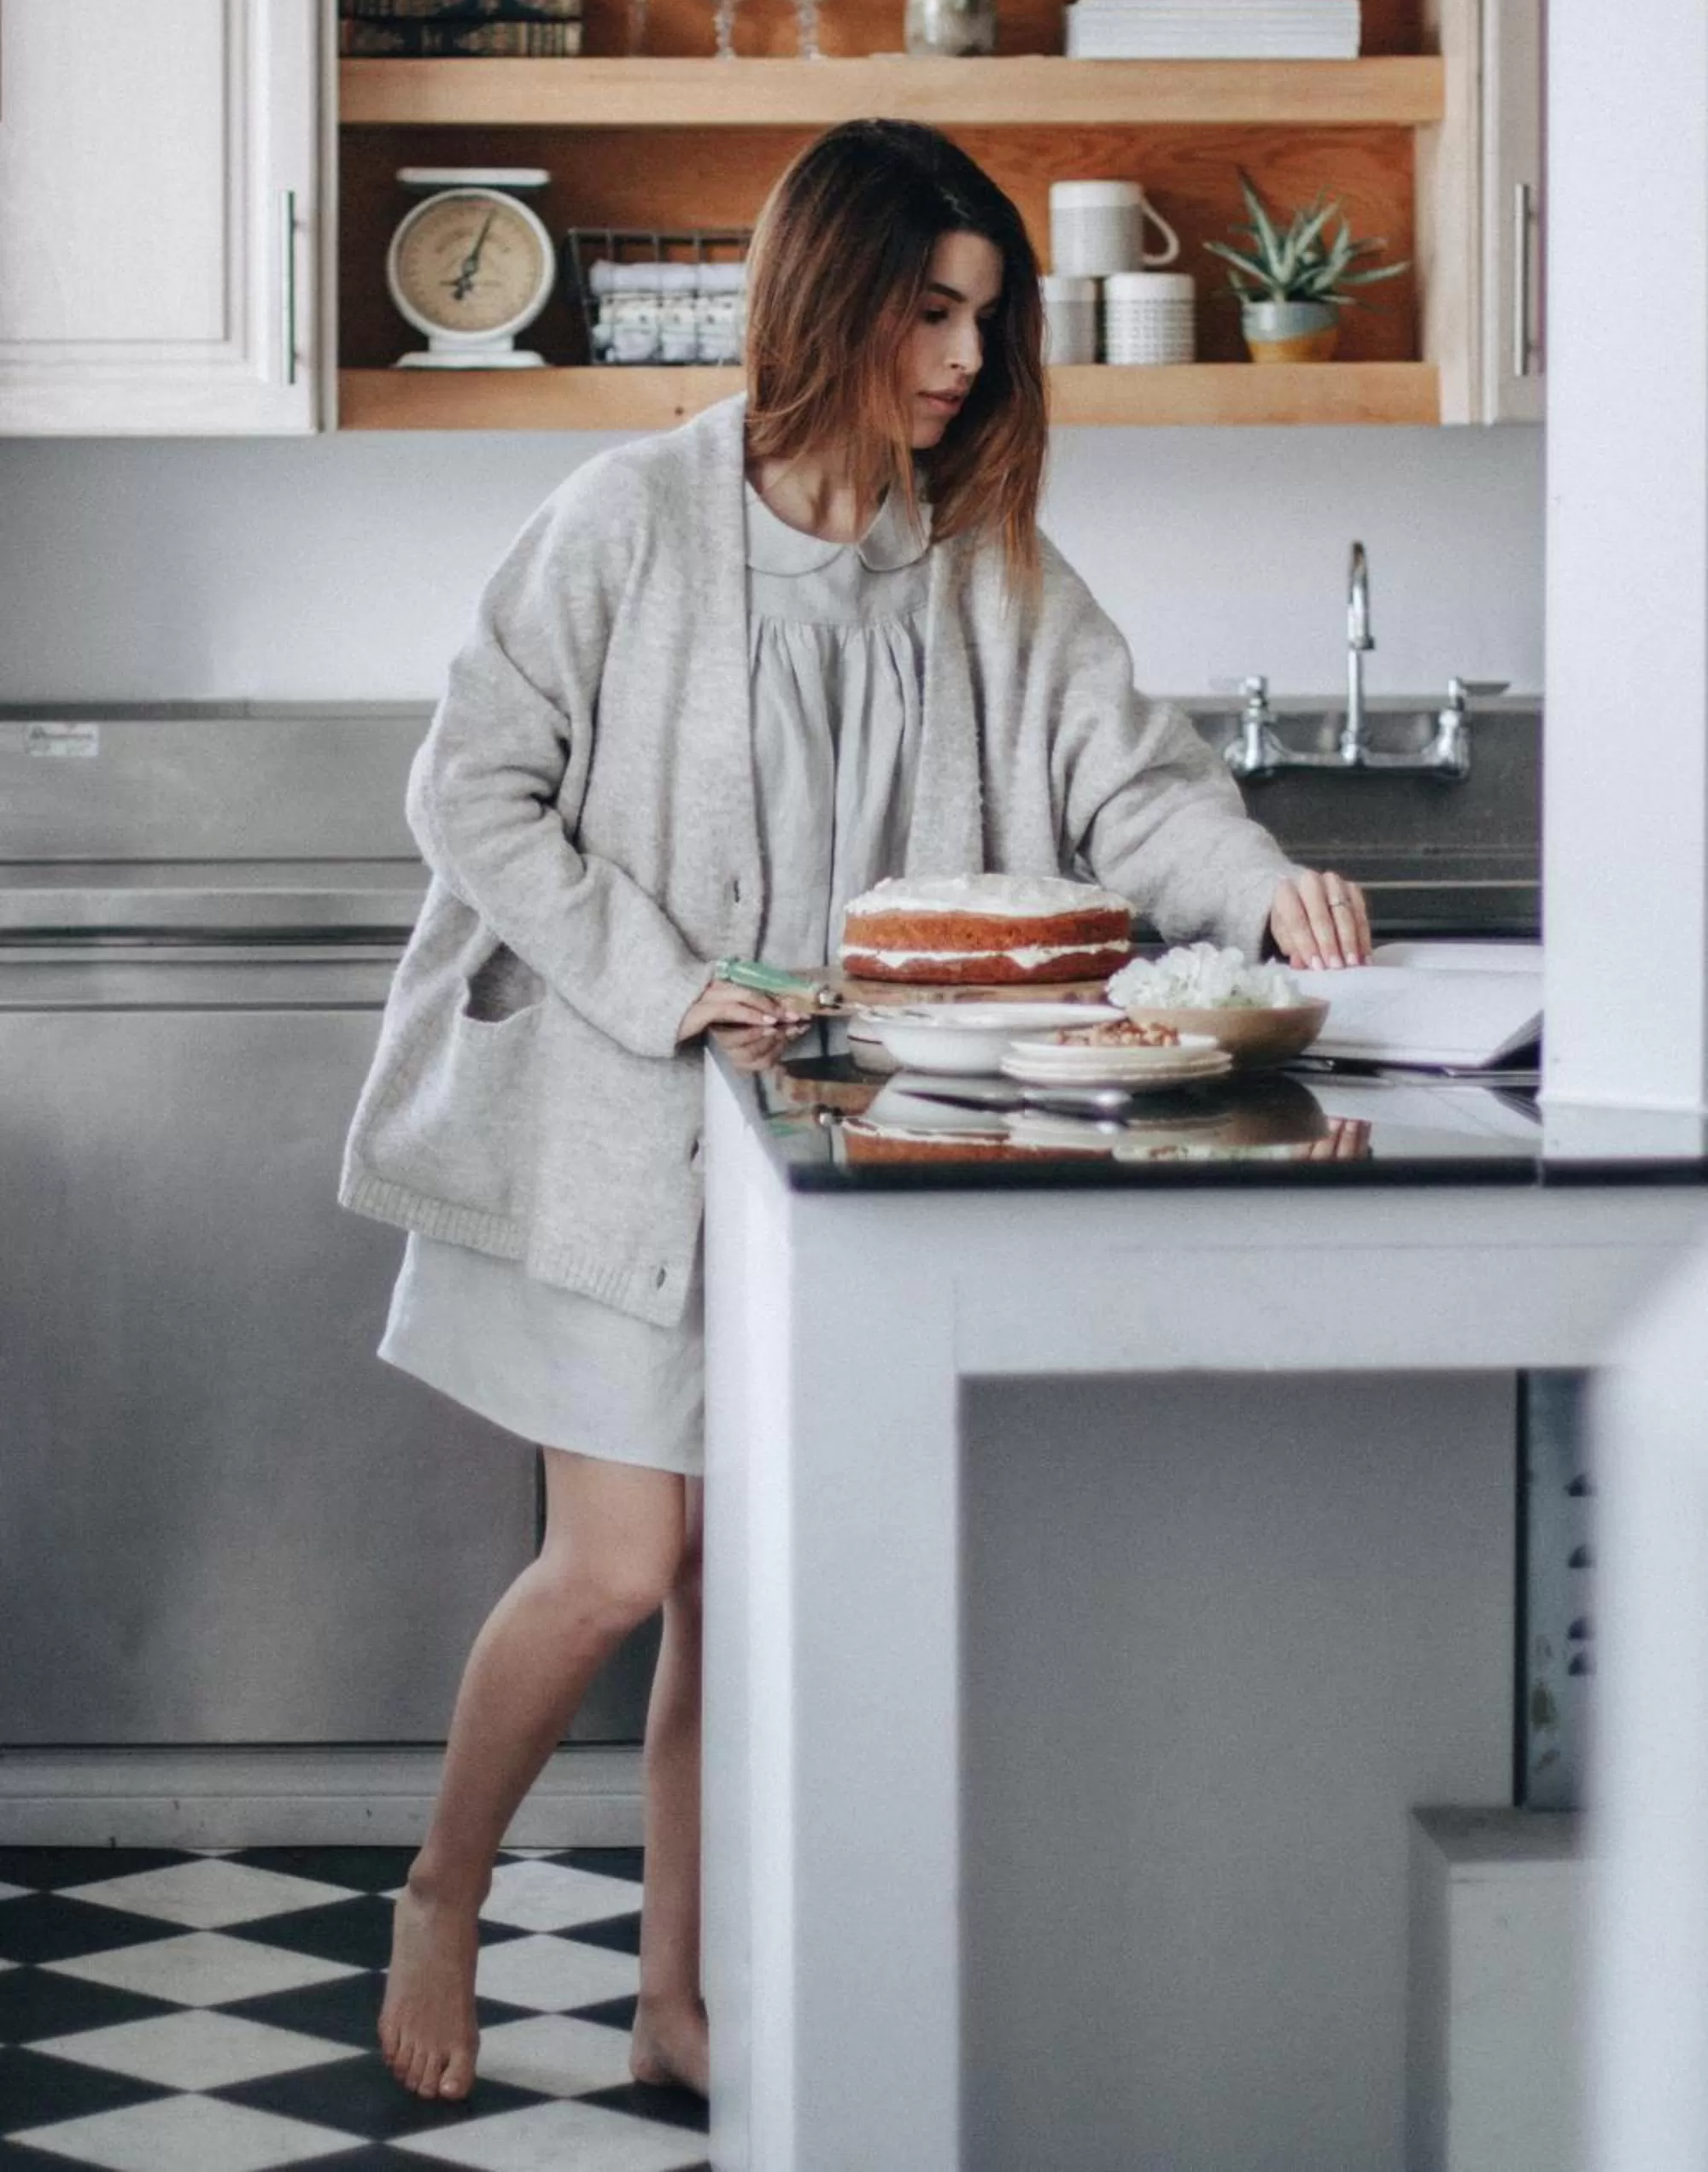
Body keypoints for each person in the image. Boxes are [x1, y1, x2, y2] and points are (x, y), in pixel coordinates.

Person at [336, 117, 1372, 2111]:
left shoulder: (978, 558)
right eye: (931, 309)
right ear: (830, 296)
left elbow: (1127, 780)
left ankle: (678, 1991)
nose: (966, 360)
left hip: (833, 1155)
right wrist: (665, 982)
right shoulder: (628, 518)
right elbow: (468, 790)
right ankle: (444, 1893)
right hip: (620, 1136)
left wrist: (1253, 883)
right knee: (621, 1567)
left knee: (746, 1583)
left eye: (987, 320)